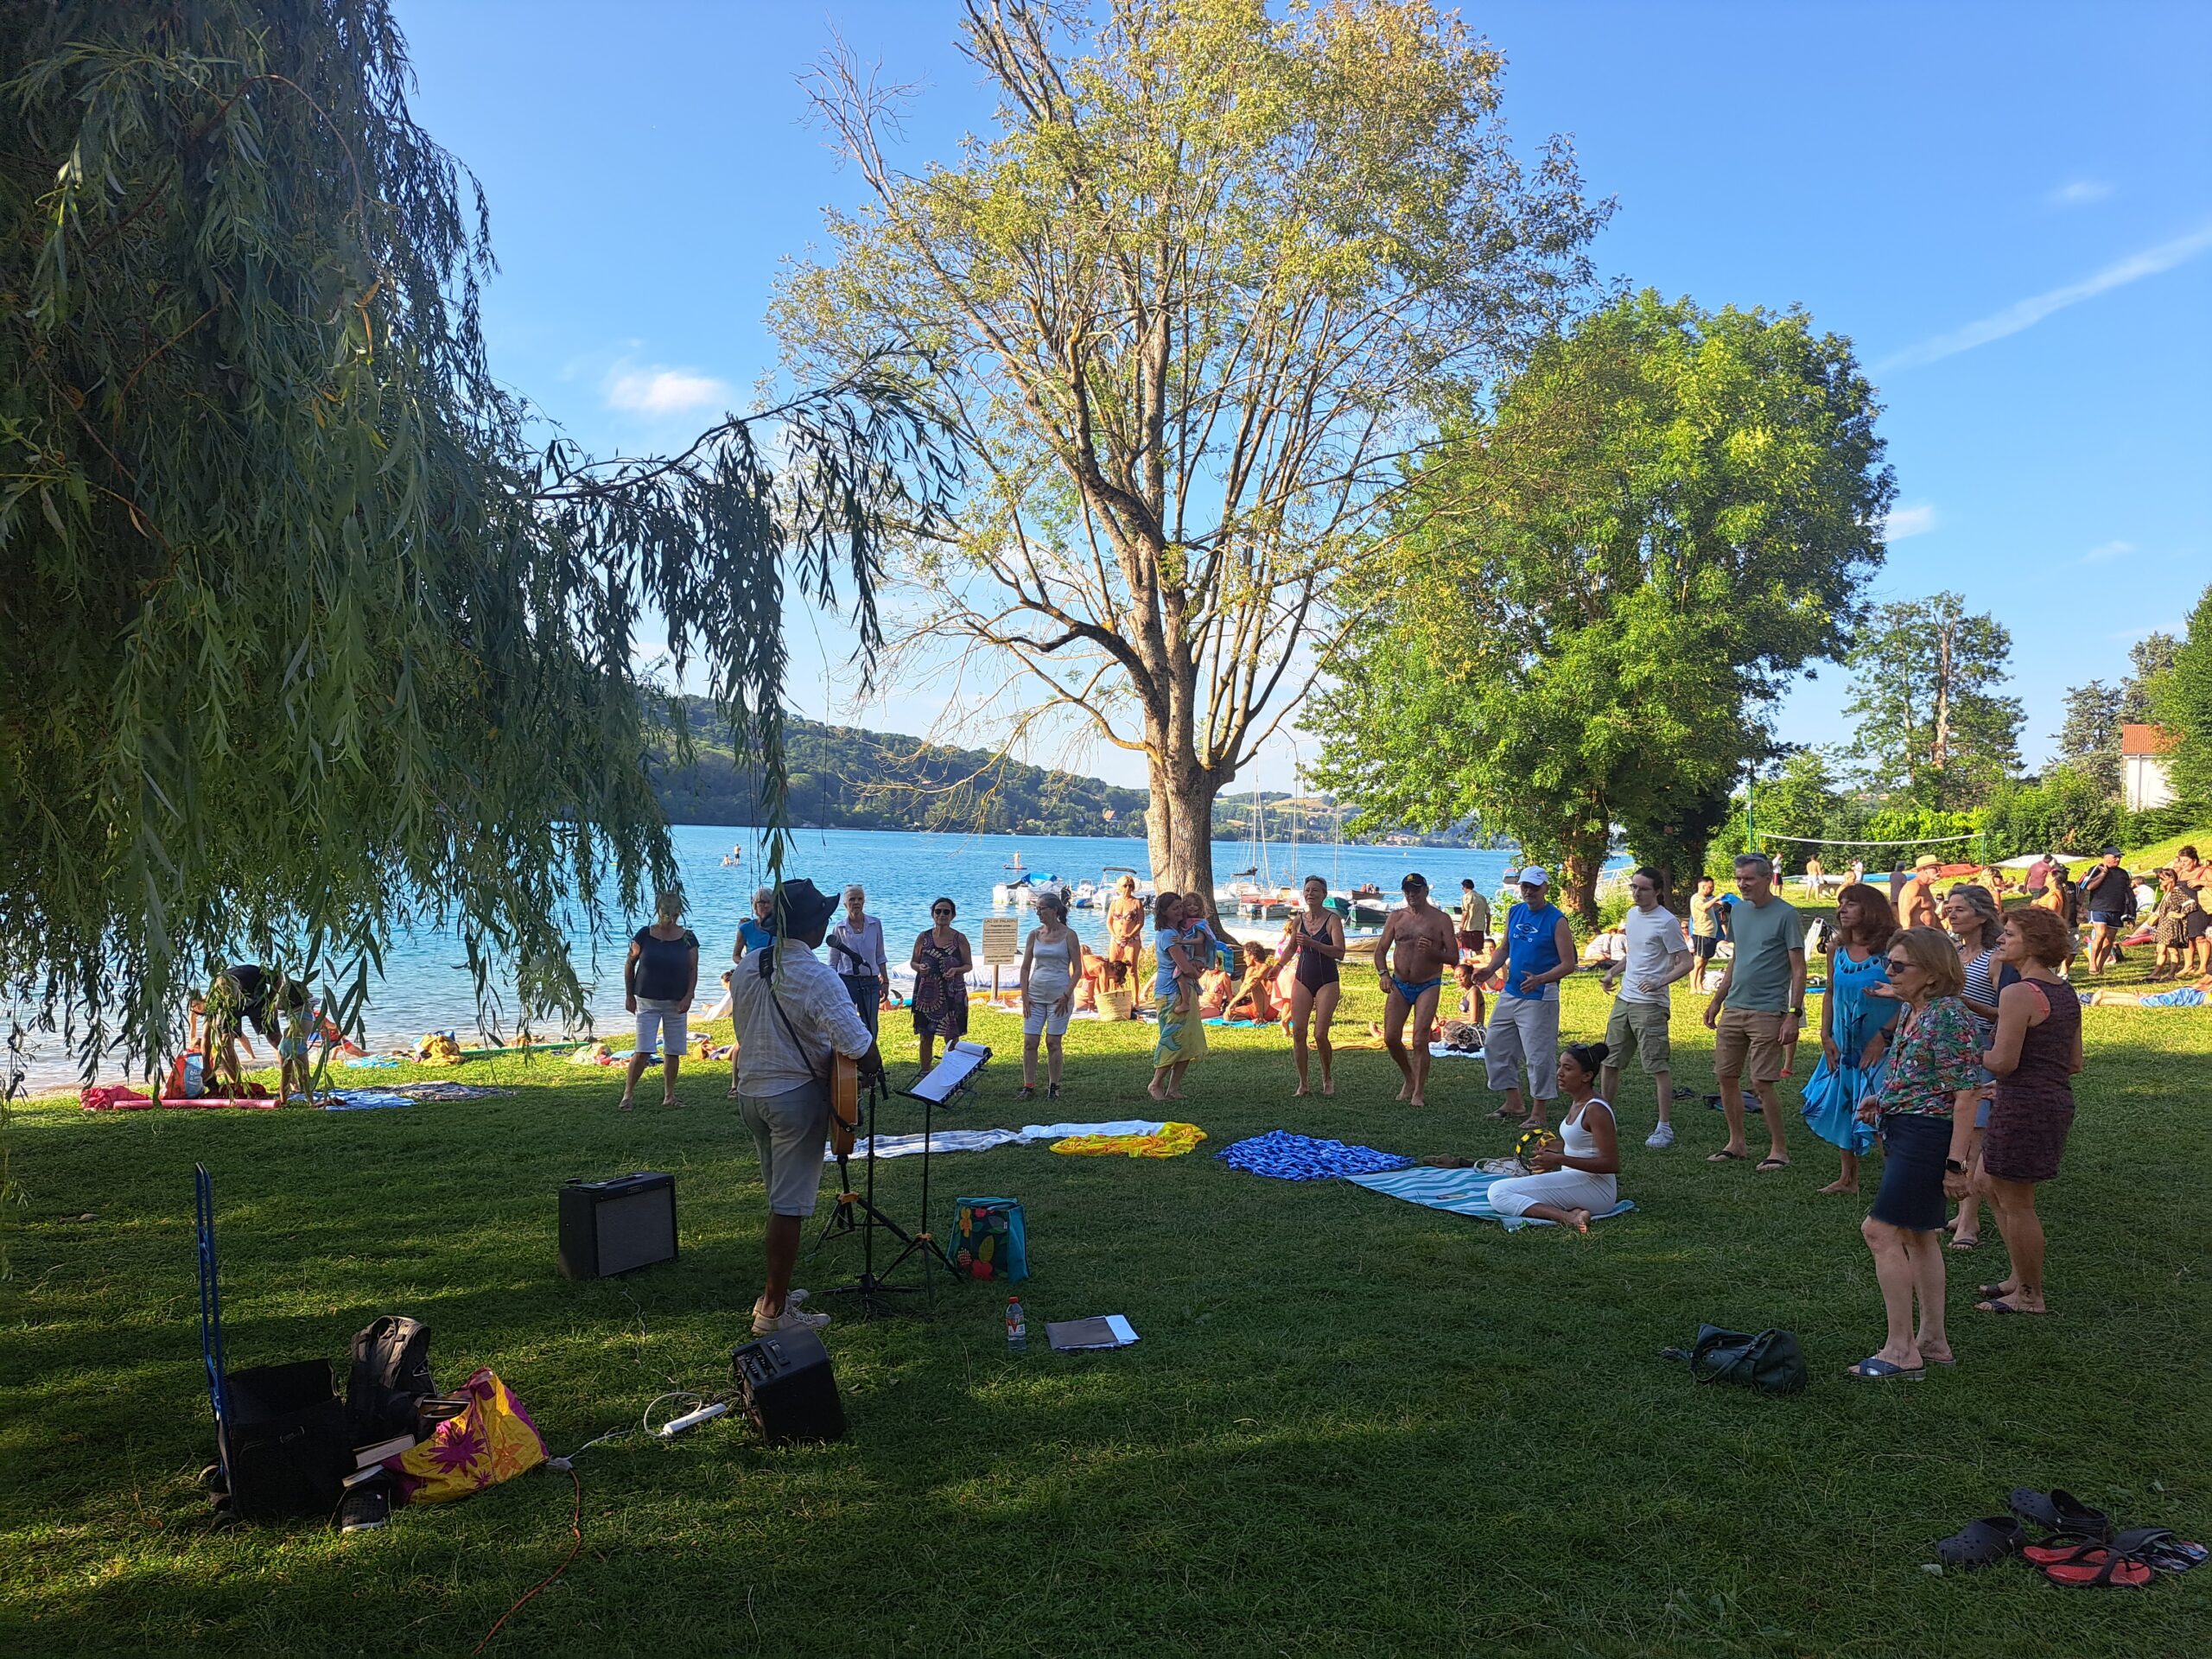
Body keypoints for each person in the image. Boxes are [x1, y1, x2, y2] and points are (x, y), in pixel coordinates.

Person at [730, 877, 884, 1336]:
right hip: (793, 1098)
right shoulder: (817, 974)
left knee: (780, 1198)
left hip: (751, 1093)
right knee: (790, 1206)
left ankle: (773, 1293)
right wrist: (875, 1071)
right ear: (814, 927)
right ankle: (773, 1312)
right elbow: (857, 1043)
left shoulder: (747, 966)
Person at [1845, 925, 1982, 1380]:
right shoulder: (1913, 1010)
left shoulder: (1947, 1015)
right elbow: (1922, 1080)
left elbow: (1966, 1094)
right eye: (1889, 961)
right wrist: (1883, 1101)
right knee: (1920, 1233)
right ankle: (1933, 1341)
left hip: (1928, 1138)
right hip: (1906, 1126)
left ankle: (1901, 1351)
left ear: (1931, 973)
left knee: (1879, 1232)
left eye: (1899, 965)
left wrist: (1956, 1166)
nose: (1889, 971)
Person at [1976, 906, 2082, 1316]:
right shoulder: (2064, 991)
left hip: (2023, 1106)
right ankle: (2017, 1277)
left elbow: (2003, 1062)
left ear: (2034, 945)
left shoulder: (2018, 992)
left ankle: (2029, 1295)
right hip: (2047, 1101)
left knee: (2018, 1202)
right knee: (1986, 1182)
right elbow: (2073, 1062)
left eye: (2010, 934)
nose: (2001, 940)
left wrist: (1964, 1050)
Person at [1700, 853, 1806, 1171]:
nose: (1742, 884)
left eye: (1748, 878)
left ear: (1766, 879)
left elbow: (1799, 969)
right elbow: (1737, 959)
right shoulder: (1739, 912)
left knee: (1761, 1082)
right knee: (1725, 1076)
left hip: (1768, 1010)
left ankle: (1779, 1150)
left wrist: (1793, 1013)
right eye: (1738, 878)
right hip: (1734, 1006)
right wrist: (1717, 1000)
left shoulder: (1786, 914)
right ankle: (1737, 1143)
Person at [1799, 882, 1899, 1195]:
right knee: (1844, 1105)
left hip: (1881, 1044)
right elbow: (1830, 992)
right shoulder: (1836, 949)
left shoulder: (1892, 951)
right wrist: (1825, 1034)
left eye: (1851, 904)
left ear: (1870, 909)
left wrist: (1884, 1036)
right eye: (1841, 903)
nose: (1842, 909)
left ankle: (1897, 1184)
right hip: (1844, 1043)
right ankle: (1848, 1178)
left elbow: (1910, 996)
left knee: (1884, 1114)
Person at [1481, 1042, 1621, 1234]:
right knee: (1502, 1189)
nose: (1559, 1073)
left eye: (1568, 1068)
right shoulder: (1580, 1102)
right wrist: (1555, 1149)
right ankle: (1575, 1211)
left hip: (1596, 1189)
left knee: (1499, 1193)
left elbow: (1611, 1164)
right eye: (1560, 1066)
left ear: (1586, 1076)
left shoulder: (1596, 1109)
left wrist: (1559, 1159)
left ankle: (1569, 1217)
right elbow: (1585, 1145)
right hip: (1578, 1180)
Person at [1473, 868, 1576, 1128]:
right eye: (1525, 887)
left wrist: (1541, 978)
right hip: (1511, 991)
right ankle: (1514, 1102)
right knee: (1496, 1045)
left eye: (1534, 887)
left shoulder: (1556, 920)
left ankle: (1538, 1111)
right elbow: (1506, 947)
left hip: (1540, 996)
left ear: (1545, 889)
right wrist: (1489, 969)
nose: (1529, 891)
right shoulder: (1515, 912)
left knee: (1538, 1055)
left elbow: (1569, 964)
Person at [1599, 868, 1694, 1150]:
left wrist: (1659, 982)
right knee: (1610, 1060)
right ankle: (1604, 1116)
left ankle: (1664, 1127)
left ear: (1657, 892)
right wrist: (1612, 972)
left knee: (1656, 1065)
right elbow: (1635, 954)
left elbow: (1686, 963)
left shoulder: (1666, 923)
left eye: (1643, 889)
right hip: (1624, 1000)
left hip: (1651, 1005)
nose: (1636, 893)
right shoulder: (1631, 915)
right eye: (1634, 887)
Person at [1370, 872, 1457, 1109]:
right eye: (1407, 891)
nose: (1411, 895)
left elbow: (1454, 958)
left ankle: (1419, 1091)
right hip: (1399, 983)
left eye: (1416, 891)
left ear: (1426, 891)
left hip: (1428, 983)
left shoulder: (1441, 920)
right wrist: (1383, 975)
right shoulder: (1397, 917)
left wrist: (1433, 952)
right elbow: (1380, 952)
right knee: (1390, 1037)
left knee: (1420, 1039)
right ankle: (1409, 1077)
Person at [621, 889, 698, 1111]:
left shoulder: (687, 937)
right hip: (647, 1000)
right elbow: (630, 964)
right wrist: (629, 994)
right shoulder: (644, 934)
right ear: (658, 910)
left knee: (673, 1050)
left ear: (679, 912)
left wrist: (689, 995)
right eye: (666, 912)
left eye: (674, 913)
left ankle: (669, 1095)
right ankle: (628, 1095)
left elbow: (693, 969)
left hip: (676, 1001)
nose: (670, 917)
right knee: (643, 1050)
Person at [1015, 892, 1084, 1102]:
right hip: (1035, 995)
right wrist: (1024, 995)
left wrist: (1067, 994)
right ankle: (1028, 1084)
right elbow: (1026, 967)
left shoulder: (1069, 935)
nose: (1038, 912)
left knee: (1053, 1042)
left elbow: (1078, 969)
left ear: (1054, 910)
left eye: (1042, 908)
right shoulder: (1034, 935)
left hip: (1059, 996)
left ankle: (1054, 1085)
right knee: (1030, 1041)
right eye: (1037, 909)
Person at [1282, 874, 1344, 1096]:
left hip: (1327, 979)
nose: (1310, 894)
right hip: (1302, 978)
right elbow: (1291, 948)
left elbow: (1340, 952)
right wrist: (1277, 966)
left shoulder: (1333, 920)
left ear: (1324, 895)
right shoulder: (1299, 920)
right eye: (1307, 890)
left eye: (1315, 890)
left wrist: (1313, 944)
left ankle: (1327, 1077)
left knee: (1320, 1034)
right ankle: (1303, 1083)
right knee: (1298, 1032)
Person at [1148, 893, 1206, 1101]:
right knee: (1171, 1039)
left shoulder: (1181, 931)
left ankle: (1173, 1087)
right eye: (1175, 908)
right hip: (1170, 992)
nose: (1180, 911)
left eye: (1181, 907)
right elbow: (1183, 966)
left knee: (1188, 1040)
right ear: (1164, 912)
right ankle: (1155, 1084)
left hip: (1187, 989)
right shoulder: (1167, 935)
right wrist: (1197, 971)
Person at [909, 897, 974, 1074]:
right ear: (933, 914)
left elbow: (969, 965)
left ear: (953, 915)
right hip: (926, 994)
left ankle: (951, 1073)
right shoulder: (924, 937)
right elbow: (913, 962)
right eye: (938, 911)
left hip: (952, 993)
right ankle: (925, 1073)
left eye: (946, 911)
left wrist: (956, 970)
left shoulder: (959, 939)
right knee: (925, 1036)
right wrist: (919, 967)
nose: (942, 915)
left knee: (952, 1037)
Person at [823, 884, 890, 1037]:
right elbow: (833, 962)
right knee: (846, 1022)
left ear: (864, 902)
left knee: (871, 1025)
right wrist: (833, 986)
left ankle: (871, 1058)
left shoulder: (875, 924)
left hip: (871, 982)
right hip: (847, 982)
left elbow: (880, 955)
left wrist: (885, 981)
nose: (856, 902)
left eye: (860, 899)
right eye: (852, 899)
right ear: (846, 904)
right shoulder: (839, 928)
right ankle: (850, 1058)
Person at [2076, 846, 2135, 974]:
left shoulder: (2123, 873)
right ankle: (2092, 963)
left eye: (2119, 857)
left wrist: (2131, 914)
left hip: (2116, 909)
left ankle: (2100, 966)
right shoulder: (2096, 869)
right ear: (2105, 857)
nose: (2118, 859)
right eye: (2115, 857)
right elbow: (2089, 886)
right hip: (2099, 907)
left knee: (2109, 939)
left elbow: (2128, 894)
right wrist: (2103, 874)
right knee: (2101, 934)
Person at [1105, 874, 1149, 1007]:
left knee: (1132, 970)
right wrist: (1114, 935)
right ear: (1120, 887)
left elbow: (1140, 922)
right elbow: (1109, 922)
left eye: (1130, 885)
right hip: (1116, 939)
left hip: (1132, 939)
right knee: (1112, 969)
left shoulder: (1137, 903)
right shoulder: (1115, 903)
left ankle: (1135, 1000)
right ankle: (1113, 996)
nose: (1128, 888)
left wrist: (1130, 935)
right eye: (1125, 885)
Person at [1223, 940, 1280, 1023]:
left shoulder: (1266, 968)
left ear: (1252, 956)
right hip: (1255, 1006)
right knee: (1227, 1015)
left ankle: (1260, 1018)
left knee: (1254, 984)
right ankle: (1254, 1020)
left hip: (1269, 1008)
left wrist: (1233, 1002)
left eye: (1245, 957)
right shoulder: (1249, 970)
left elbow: (1252, 984)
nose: (1244, 960)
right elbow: (1243, 989)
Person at [1899, 855, 1943, 931]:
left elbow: (1932, 915)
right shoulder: (1913, 887)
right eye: (1936, 868)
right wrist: (1908, 937)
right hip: (1917, 937)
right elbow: (1904, 915)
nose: (1940, 871)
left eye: (1939, 868)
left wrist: (1947, 938)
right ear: (1924, 870)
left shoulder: (1925, 887)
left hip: (1928, 936)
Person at [1457, 876, 1491, 959]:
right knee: (1478, 949)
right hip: (1480, 927)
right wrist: (1488, 928)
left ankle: (1472, 965)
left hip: (1469, 927)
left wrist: (1461, 926)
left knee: (1467, 949)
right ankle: (1480, 964)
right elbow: (1488, 914)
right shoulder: (1482, 897)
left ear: (1465, 887)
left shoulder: (1466, 897)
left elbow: (1465, 912)